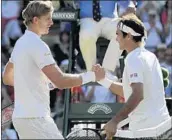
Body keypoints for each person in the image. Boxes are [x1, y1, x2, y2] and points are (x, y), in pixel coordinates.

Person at [2, 1, 105, 139]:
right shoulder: (38, 45)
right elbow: (61, 81)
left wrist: (40, 84)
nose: (51, 22)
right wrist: (92, 76)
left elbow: (7, 78)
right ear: (35, 20)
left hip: (21, 119)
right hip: (36, 118)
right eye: (48, 19)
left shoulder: (20, 44)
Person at [92, 13, 171, 139]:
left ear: (128, 36)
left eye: (118, 34)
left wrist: (115, 121)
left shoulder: (133, 58)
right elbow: (129, 91)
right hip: (163, 128)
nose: (116, 38)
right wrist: (103, 80)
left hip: (146, 132)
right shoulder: (150, 56)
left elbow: (137, 94)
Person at [77, 0, 137, 71]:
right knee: (86, 35)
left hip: (110, 20)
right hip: (87, 19)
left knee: (123, 31)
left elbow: (127, 2)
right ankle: (92, 71)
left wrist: (130, 6)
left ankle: (107, 71)